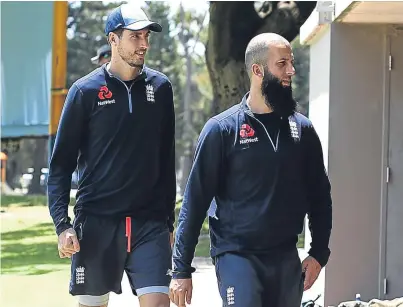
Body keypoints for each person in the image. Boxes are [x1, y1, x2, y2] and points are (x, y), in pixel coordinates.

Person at [169, 33, 333, 307]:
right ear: (258, 70)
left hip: (284, 257)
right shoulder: (221, 130)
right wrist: (180, 269)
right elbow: (195, 202)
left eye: (291, 62)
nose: (291, 70)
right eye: (282, 64)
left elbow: (320, 197)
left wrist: (318, 253)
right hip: (236, 255)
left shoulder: (302, 130)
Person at [47, 4, 176, 307]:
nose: (144, 44)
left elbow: (166, 159)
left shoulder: (161, 88)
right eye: (135, 37)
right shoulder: (84, 92)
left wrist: (168, 222)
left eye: (146, 36)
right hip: (96, 223)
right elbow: (61, 165)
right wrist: (62, 225)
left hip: (150, 224)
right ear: (113, 40)